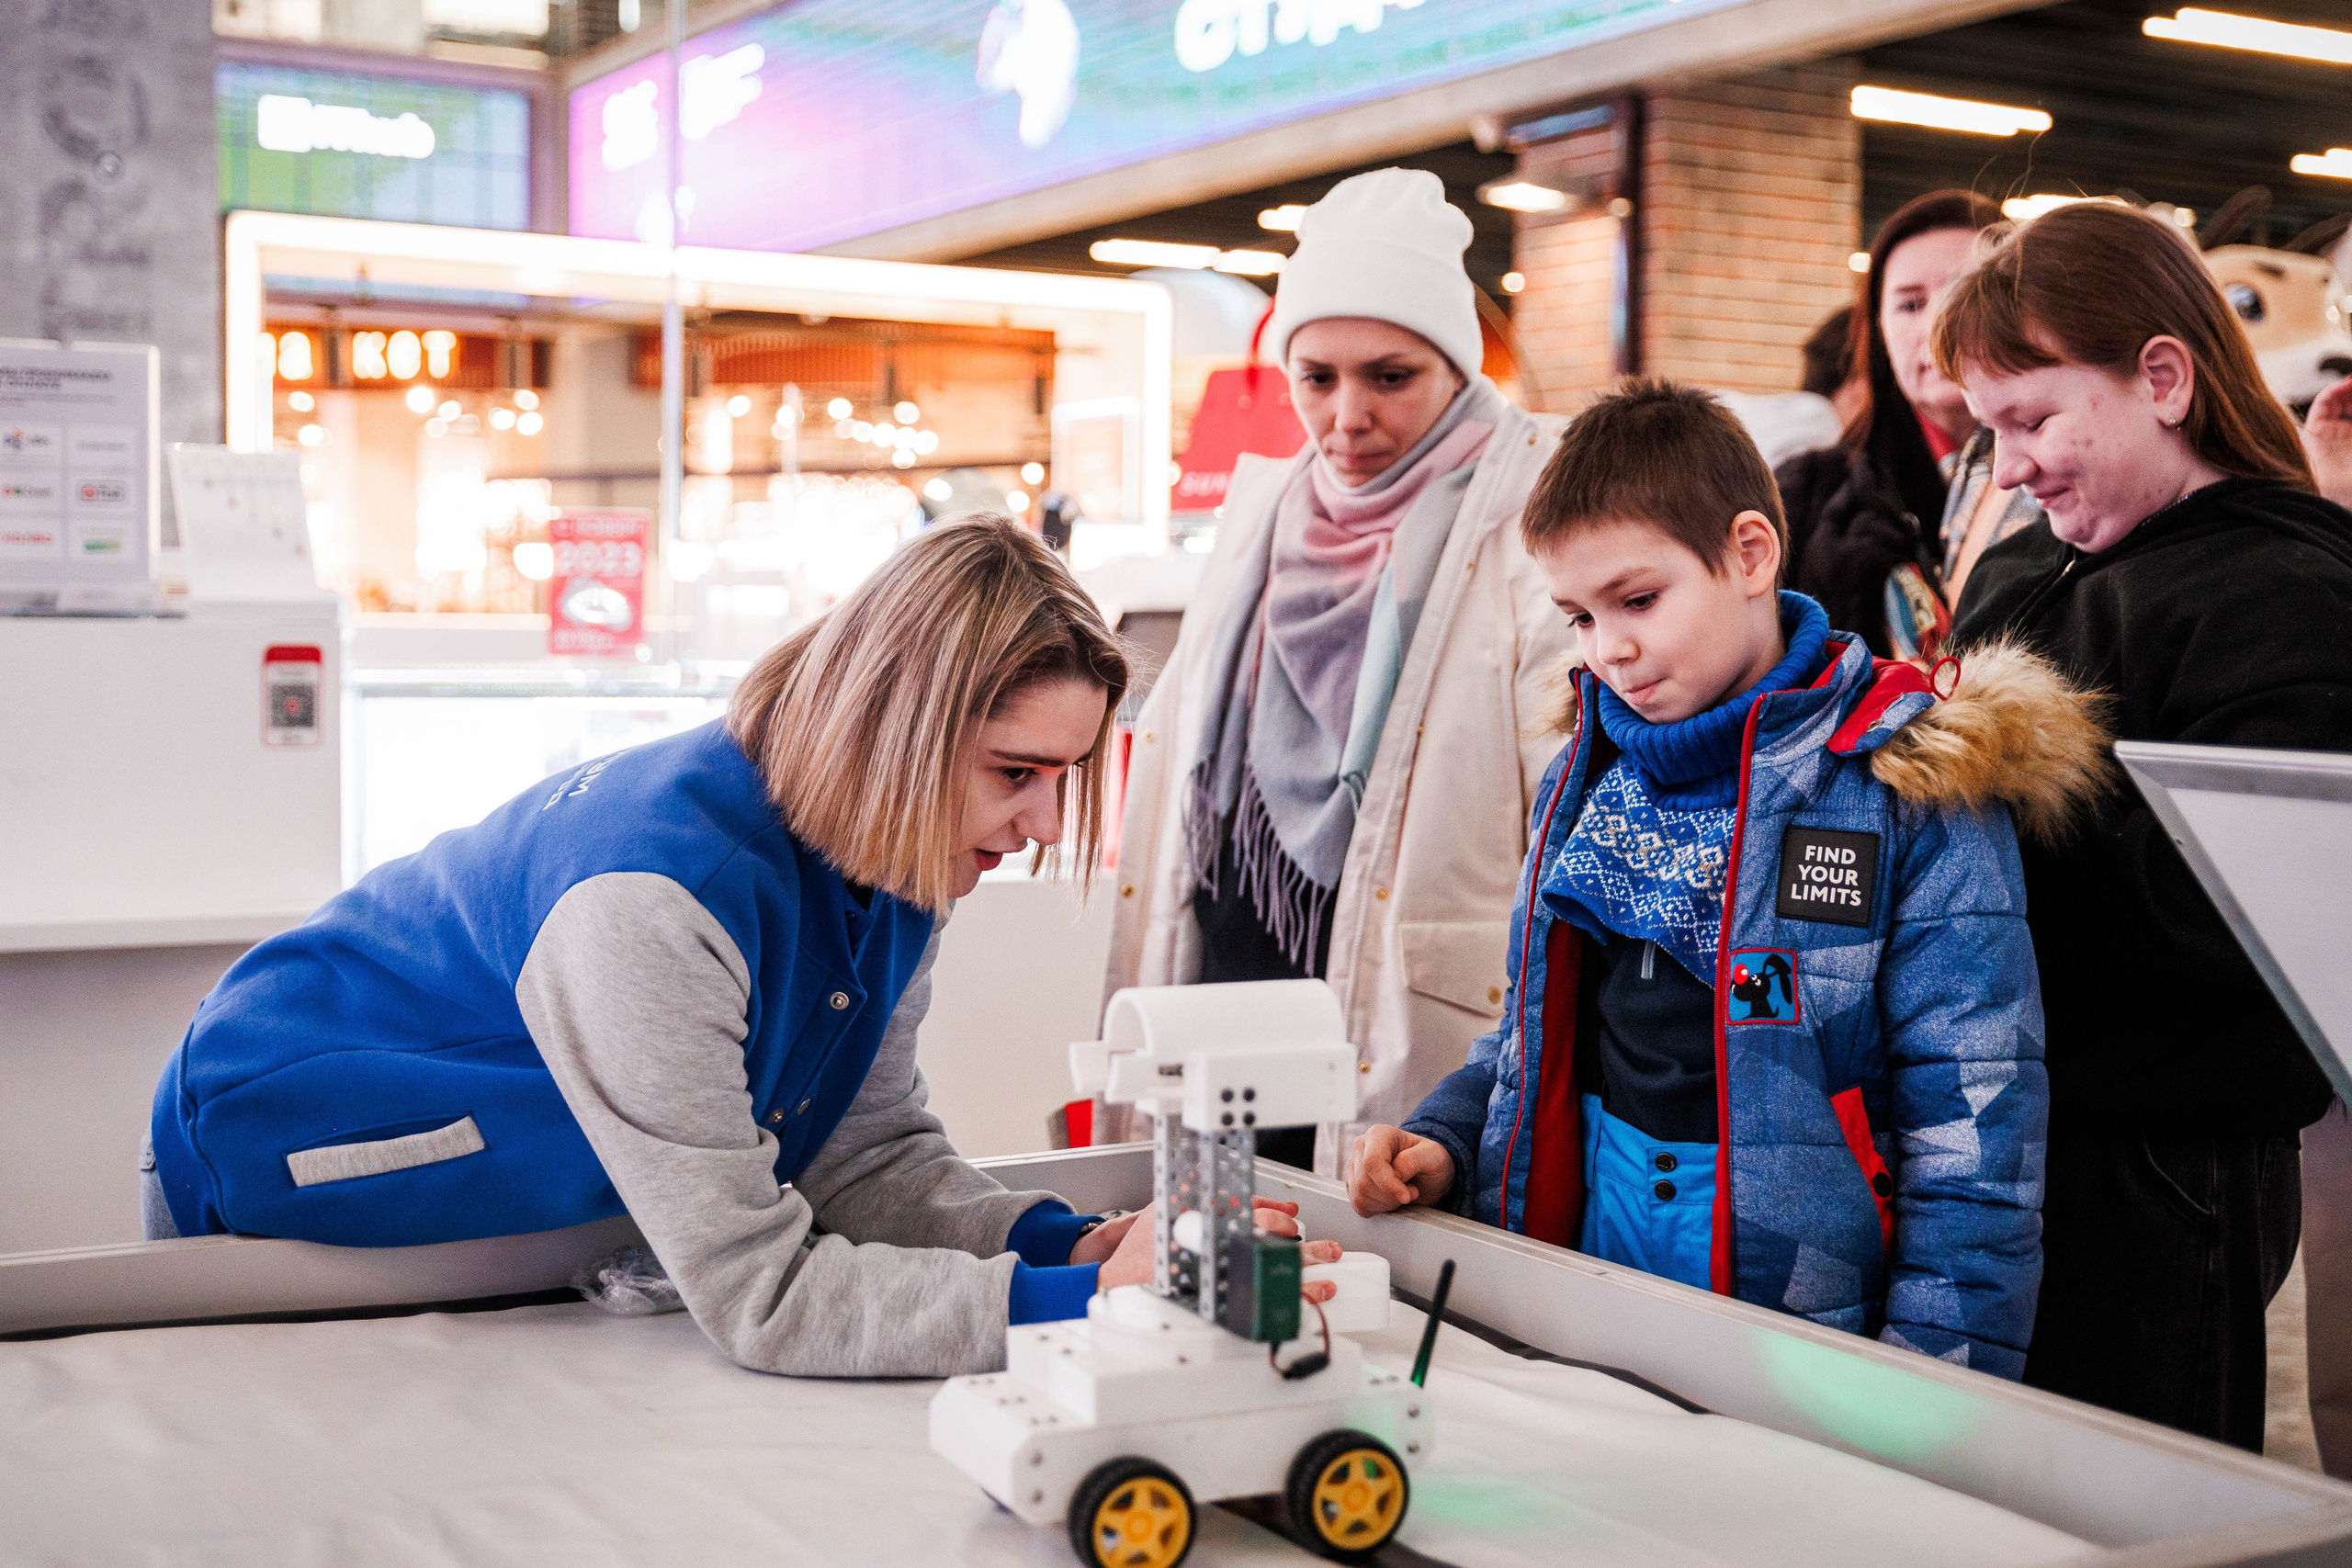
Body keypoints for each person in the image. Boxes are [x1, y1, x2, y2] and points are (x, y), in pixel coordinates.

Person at [145, 517, 1335, 1378]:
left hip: (509, 1210)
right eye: (1014, 774)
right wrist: (1079, 1298)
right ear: (898, 732)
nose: (1034, 825)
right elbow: (763, 1294)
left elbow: (859, 1156)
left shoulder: (897, 853)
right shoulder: (654, 902)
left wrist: (1066, 1239)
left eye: (1060, 779)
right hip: (284, 1153)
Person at [1346, 379, 2100, 1375]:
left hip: (1808, 1315)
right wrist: (1444, 1135)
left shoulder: (1904, 777)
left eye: (1639, 599)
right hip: (1585, 1257)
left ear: (1749, 553)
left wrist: (1940, 1384)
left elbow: (1975, 1119)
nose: (1608, 648)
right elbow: (1533, 1027)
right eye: (1577, 615)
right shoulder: (1587, 765)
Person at [1937, 200, 2352, 1447]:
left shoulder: (2290, 593)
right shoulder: (2025, 566)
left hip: (2166, 1165)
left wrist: (2010, 811)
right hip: (1998, 1132)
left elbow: (2248, 927)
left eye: (2032, 418)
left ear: (2163, 377)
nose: (2006, 467)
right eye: (1989, 431)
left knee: (2136, 1479)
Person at [1102, 168, 1575, 1169]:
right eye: (1316, 377)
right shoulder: (1261, 517)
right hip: (1219, 999)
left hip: (1397, 1022)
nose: (1346, 415)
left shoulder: (1536, 523)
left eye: (1389, 376)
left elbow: (1564, 815)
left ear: (1454, 368)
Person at [1776, 191, 2002, 657]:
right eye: (1911, 305)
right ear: (1878, 330)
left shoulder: (2075, 485)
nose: (1939, 323)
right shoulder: (1806, 499)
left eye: (1966, 293)